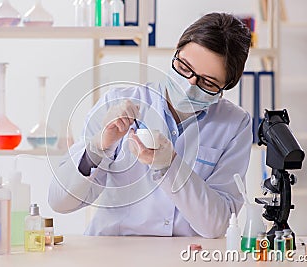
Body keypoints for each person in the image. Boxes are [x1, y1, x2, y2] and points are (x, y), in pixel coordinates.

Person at [48, 12, 252, 238]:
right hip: (113, 251)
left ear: (227, 85)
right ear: (176, 50)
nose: (188, 86)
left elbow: (217, 225)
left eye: (208, 82)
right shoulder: (117, 102)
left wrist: (170, 166)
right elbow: (59, 202)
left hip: (185, 256)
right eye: (184, 67)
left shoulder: (235, 125)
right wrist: (98, 147)